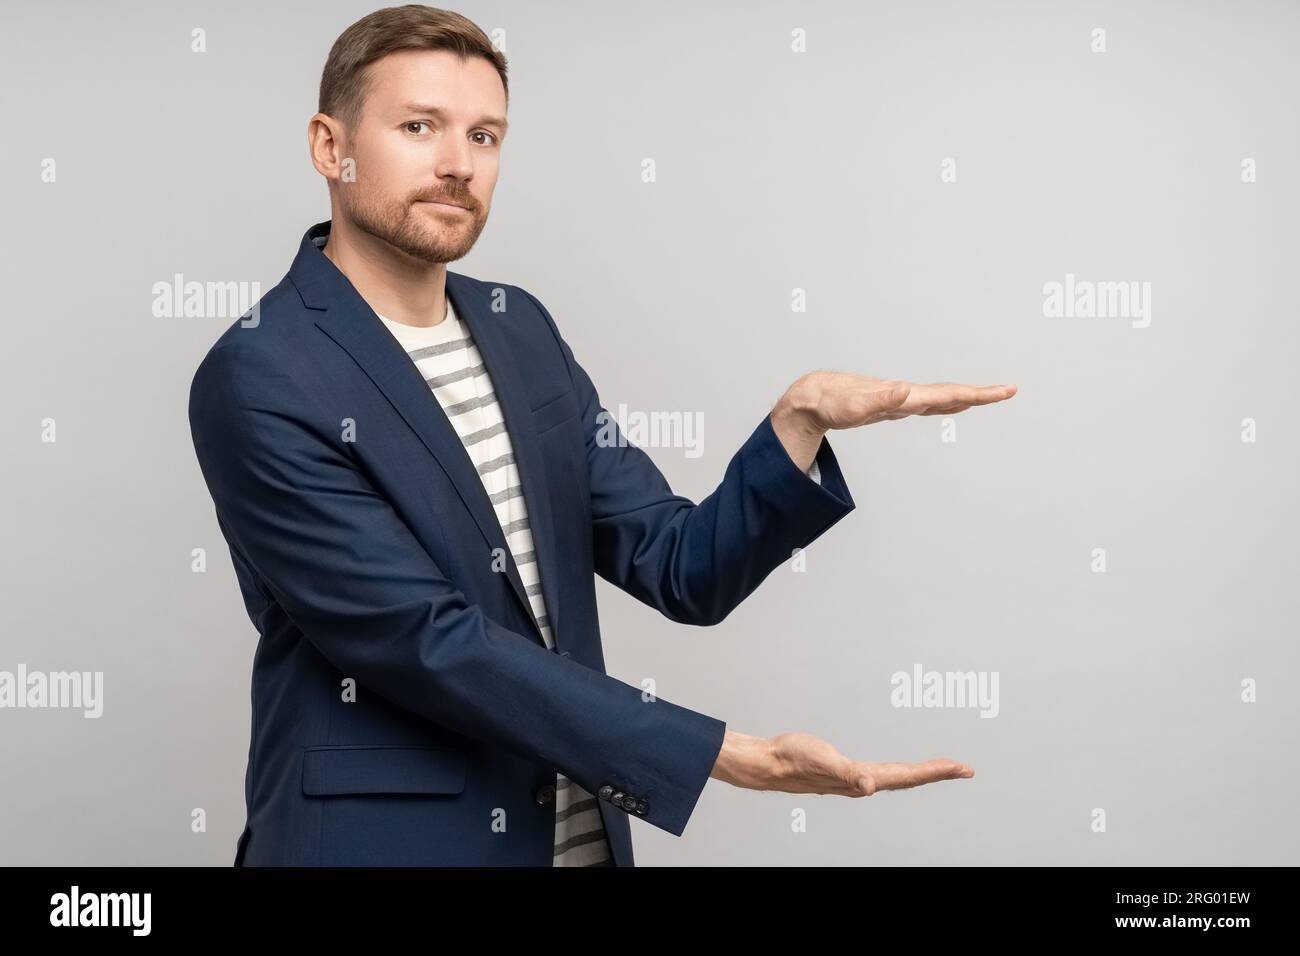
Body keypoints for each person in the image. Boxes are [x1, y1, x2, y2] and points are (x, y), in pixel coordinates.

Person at [187, 4, 1017, 866]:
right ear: (331, 146)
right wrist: (724, 754)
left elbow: (677, 565)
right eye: (419, 126)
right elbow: (425, 641)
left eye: (484, 136)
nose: (456, 165)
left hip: (578, 844)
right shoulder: (262, 373)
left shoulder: (520, 330)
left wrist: (795, 424)